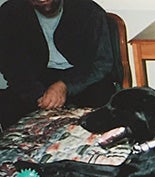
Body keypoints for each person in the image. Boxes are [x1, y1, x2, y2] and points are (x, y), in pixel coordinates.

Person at [0, 0, 116, 129]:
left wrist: (65, 85)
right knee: (7, 104)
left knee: (102, 102)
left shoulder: (89, 11)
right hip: (35, 79)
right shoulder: (10, 13)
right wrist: (37, 95)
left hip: (82, 78)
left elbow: (102, 63)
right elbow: (11, 65)